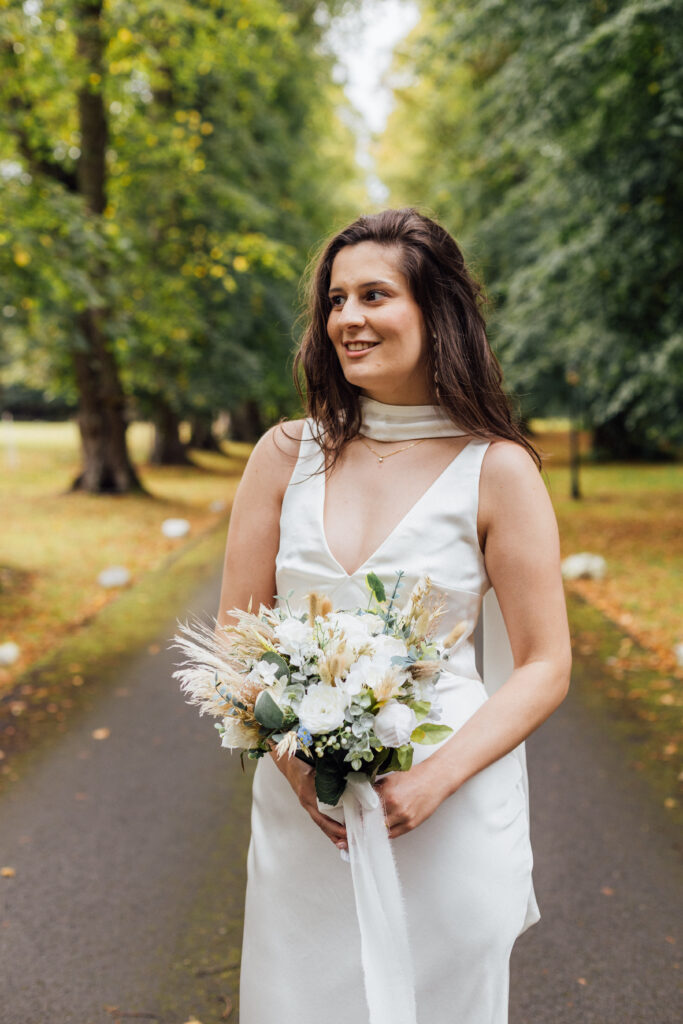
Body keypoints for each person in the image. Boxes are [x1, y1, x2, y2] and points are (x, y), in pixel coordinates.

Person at [217, 207, 571, 1024]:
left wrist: (432, 782)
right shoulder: (282, 455)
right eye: (335, 300)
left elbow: (545, 663)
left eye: (374, 295)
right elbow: (236, 641)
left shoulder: (498, 469)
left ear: (434, 310)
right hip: (304, 808)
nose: (347, 318)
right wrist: (298, 772)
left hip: (446, 802)